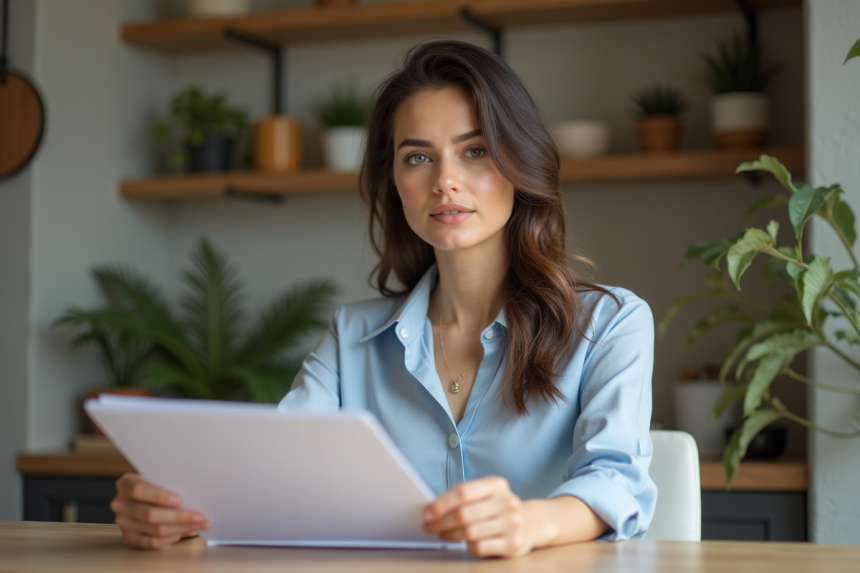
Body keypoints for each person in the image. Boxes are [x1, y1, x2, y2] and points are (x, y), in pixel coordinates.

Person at [110, 40, 657, 558]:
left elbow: (616, 480)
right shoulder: (352, 338)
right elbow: (278, 475)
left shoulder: (611, 324)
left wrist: (530, 523)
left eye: (475, 151)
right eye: (418, 158)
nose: (445, 181)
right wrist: (175, 506)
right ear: (395, 180)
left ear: (521, 163)